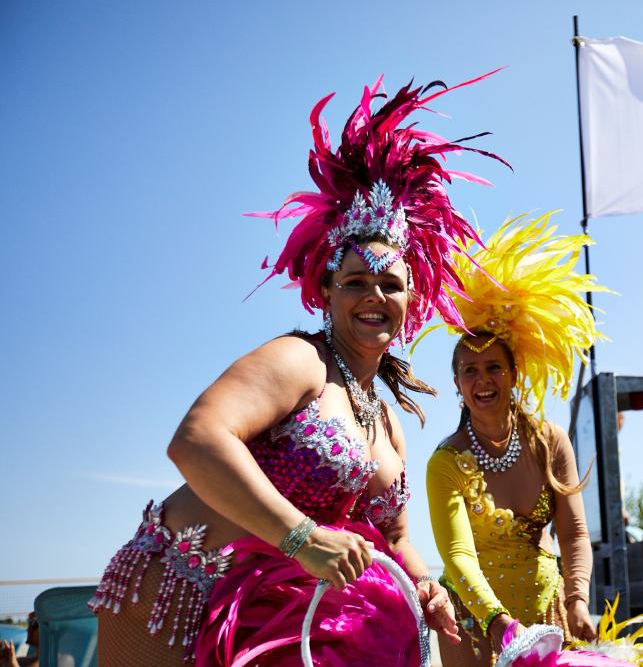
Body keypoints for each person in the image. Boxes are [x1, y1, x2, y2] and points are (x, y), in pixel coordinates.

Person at [88, 72, 508, 665]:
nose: (374, 295)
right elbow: (197, 439)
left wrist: (425, 586)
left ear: (411, 300)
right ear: (326, 291)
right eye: (355, 281)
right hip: (178, 595)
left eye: (390, 284)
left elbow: (394, 538)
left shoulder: (386, 423)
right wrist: (302, 537)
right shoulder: (300, 360)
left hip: (264, 621)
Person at [424, 213, 606, 665]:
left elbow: (573, 532)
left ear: (514, 374)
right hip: (475, 627)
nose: (482, 380)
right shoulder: (446, 461)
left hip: (548, 617)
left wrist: (577, 599)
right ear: (457, 384)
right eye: (470, 371)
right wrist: (500, 625)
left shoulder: (549, 441)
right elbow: (458, 556)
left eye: (494, 368)